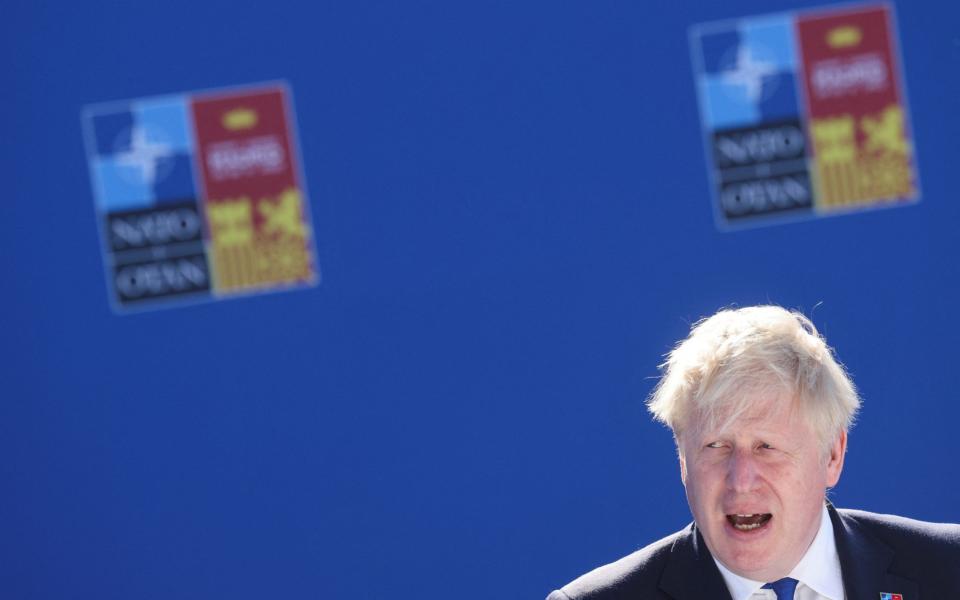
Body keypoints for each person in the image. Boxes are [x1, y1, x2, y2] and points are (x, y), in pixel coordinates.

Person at [547, 305, 960, 600]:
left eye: (767, 447)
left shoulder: (948, 568)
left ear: (833, 455)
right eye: (716, 446)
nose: (741, 479)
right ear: (682, 459)